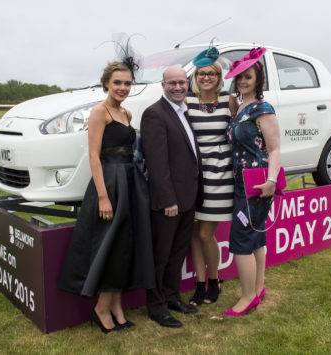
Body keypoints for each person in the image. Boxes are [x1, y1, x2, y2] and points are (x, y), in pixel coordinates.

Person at [57, 60, 155, 333]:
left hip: (129, 182)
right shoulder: (99, 113)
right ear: (106, 84)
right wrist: (102, 196)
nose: (123, 87)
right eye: (117, 83)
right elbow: (93, 156)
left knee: (124, 247)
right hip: (110, 184)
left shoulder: (126, 113)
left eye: (127, 83)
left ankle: (116, 305)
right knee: (110, 247)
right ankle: (101, 308)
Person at [140, 65, 203, 328]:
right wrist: (168, 201)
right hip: (169, 203)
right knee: (161, 256)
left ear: (187, 84)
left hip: (188, 199)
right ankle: (156, 307)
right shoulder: (154, 114)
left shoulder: (184, 112)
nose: (177, 87)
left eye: (181, 82)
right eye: (172, 83)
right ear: (162, 85)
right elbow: (157, 163)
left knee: (177, 254)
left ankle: (172, 297)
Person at [223, 47, 281, 316]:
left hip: (258, 183)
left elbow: (275, 148)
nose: (243, 81)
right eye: (240, 78)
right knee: (257, 237)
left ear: (258, 80)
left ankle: (247, 297)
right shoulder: (240, 107)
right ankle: (258, 288)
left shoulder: (262, 108)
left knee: (241, 239)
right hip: (240, 181)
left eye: (248, 77)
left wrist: (270, 181)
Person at [186, 46, 237, 306]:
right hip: (195, 175)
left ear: (219, 77)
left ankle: (214, 280)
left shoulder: (229, 100)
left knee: (206, 234)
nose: (206, 77)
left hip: (220, 175)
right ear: (196, 75)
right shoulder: (187, 100)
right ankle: (199, 283)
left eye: (212, 74)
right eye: (202, 73)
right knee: (194, 233)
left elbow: (239, 134)